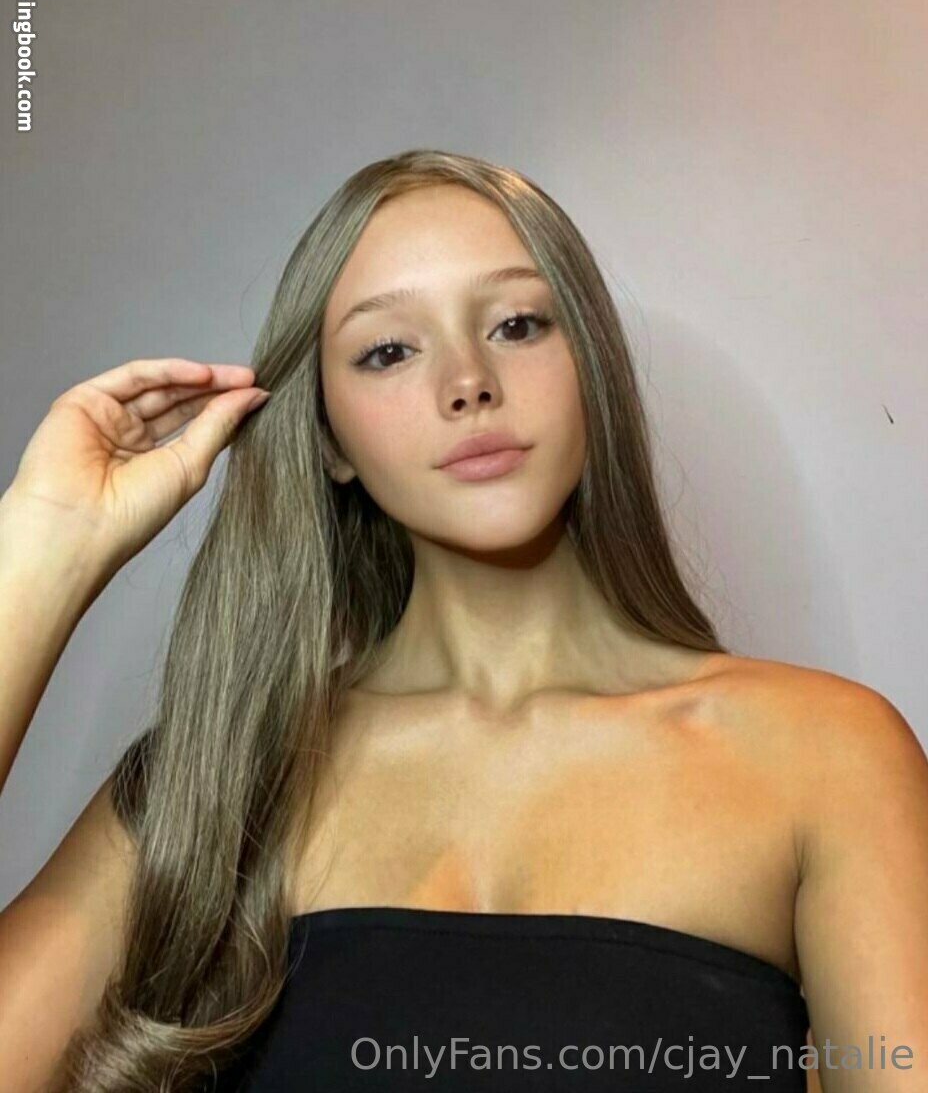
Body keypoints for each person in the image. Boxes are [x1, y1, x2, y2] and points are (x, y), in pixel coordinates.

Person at [0, 149, 924, 1092]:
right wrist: (44, 548)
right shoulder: (220, 774)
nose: (469, 381)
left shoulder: (825, 755)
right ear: (329, 440)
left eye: (517, 325)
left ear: (592, 368)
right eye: (389, 351)